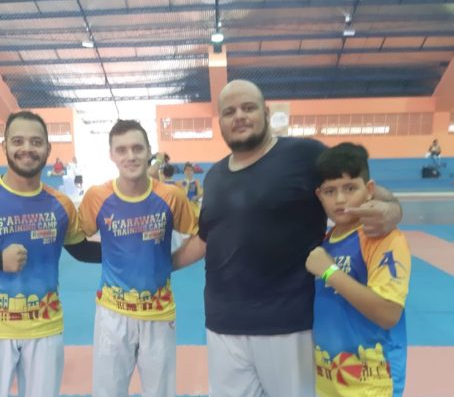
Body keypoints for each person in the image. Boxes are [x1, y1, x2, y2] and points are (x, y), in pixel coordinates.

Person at [173, 79, 403, 397]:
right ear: (221, 122)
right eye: (229, 112)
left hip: (289, 324)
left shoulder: (304, 155)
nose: (239, 116)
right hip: (223, 325)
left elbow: (356, 186)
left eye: (248, 108)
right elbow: (205, 239)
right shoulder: (214, 177)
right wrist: (158, 264)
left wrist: (393, 208)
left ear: (266, 113)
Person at [0, 111, 101, 397]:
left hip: (45, 328)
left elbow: (82, 250)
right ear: (5, 146)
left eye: (36, 142)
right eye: (18, 141)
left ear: (47, 149)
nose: (27, 148)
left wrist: (134, 247)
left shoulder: (60, 203)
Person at [78, 119, 198, 397]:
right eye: (121, 150)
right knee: (107, 392)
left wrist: (171, 262)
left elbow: (200, 236)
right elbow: (74, 238)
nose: (130, 156)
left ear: (149, 151)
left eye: (137, 148)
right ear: (111, 155)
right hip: (112, 313)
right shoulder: (97, 197)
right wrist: (116, 257)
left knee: (160, 392)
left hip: (159, 312)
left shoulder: (171, 196)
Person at [306, 142, 410, 397]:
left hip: (372, 384)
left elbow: (388, 313)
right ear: (319, 195)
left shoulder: (383, 239)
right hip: (328, 381)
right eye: (330, 191)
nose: (340, 199)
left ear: (369, 189)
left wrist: (329, 272)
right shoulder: (326, 241)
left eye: (350, 188)